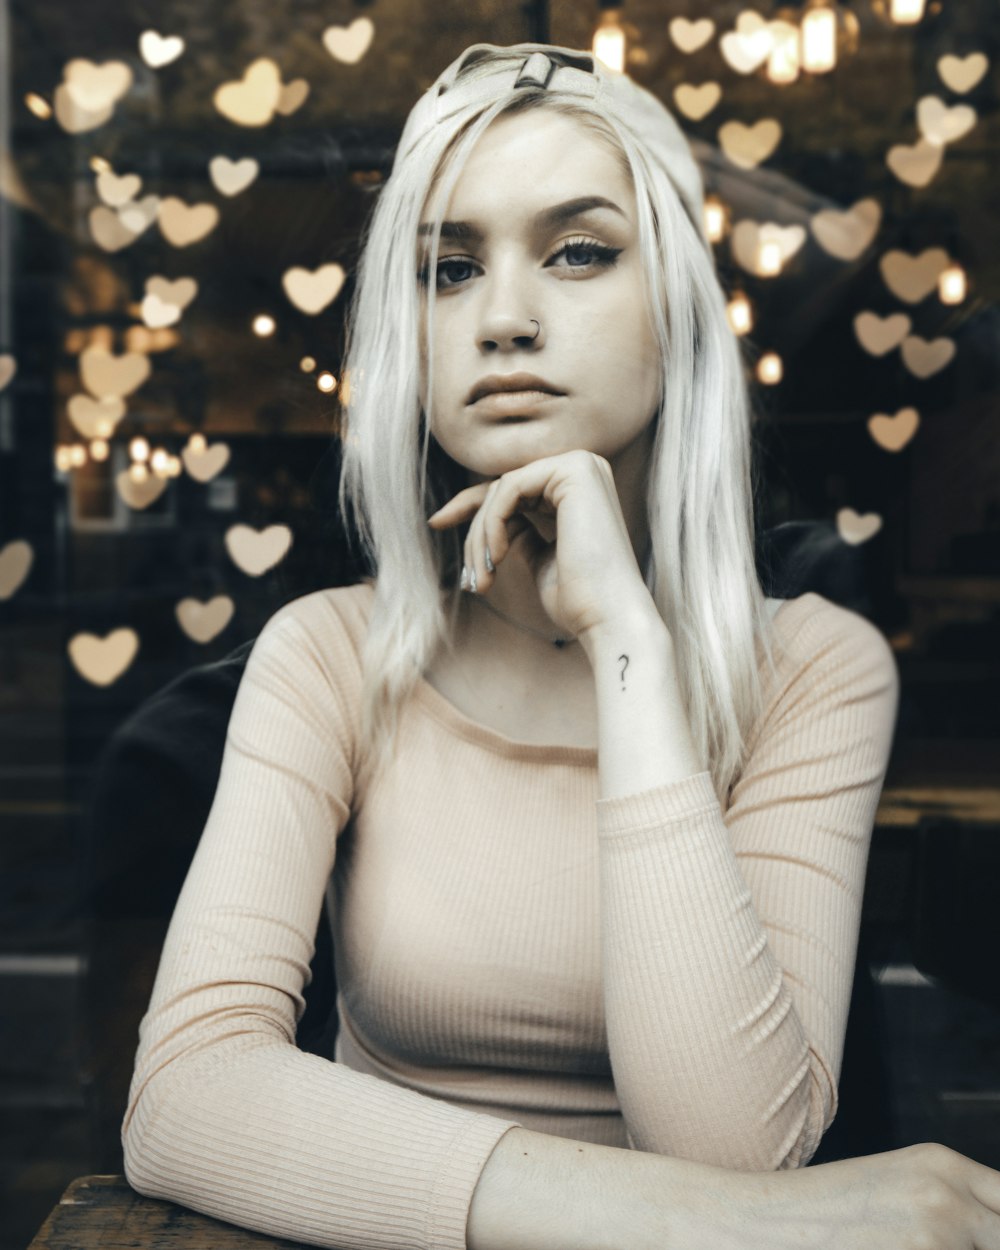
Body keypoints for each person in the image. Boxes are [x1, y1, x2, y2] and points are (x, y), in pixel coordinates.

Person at [122, 42, 1000, 1250]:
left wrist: (624, 637)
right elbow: (183, 1097)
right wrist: (759, 1226)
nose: (503, 319)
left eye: (579, 251)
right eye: (447, 268)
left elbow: (736, 1146)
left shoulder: (816, 667)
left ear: (676, 308)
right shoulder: (326, 653)